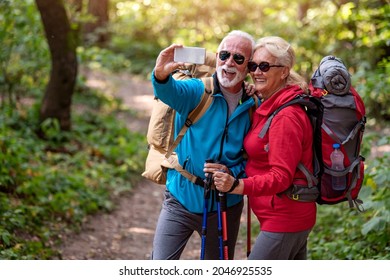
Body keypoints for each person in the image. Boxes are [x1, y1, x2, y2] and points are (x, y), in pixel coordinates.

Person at [150, 30, 257, 260]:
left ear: (249, 66)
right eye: (225, 55)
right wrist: (160, 75)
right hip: (181, 197)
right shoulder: (198, 91)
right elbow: (170, 91)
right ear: (217, 56)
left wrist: (232, 174)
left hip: (225, 205)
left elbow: (256, 158)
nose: (229, 62)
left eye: (238, 58)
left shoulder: (253, 105)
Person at [212, 36, 316, 260]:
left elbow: (281, 176)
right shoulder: (270, 104)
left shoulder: (286, 116)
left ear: (284, 71)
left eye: (265, 66)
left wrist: (237, 185)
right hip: (284, 217)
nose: (256, 72)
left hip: (285, 218)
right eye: (253, 66)